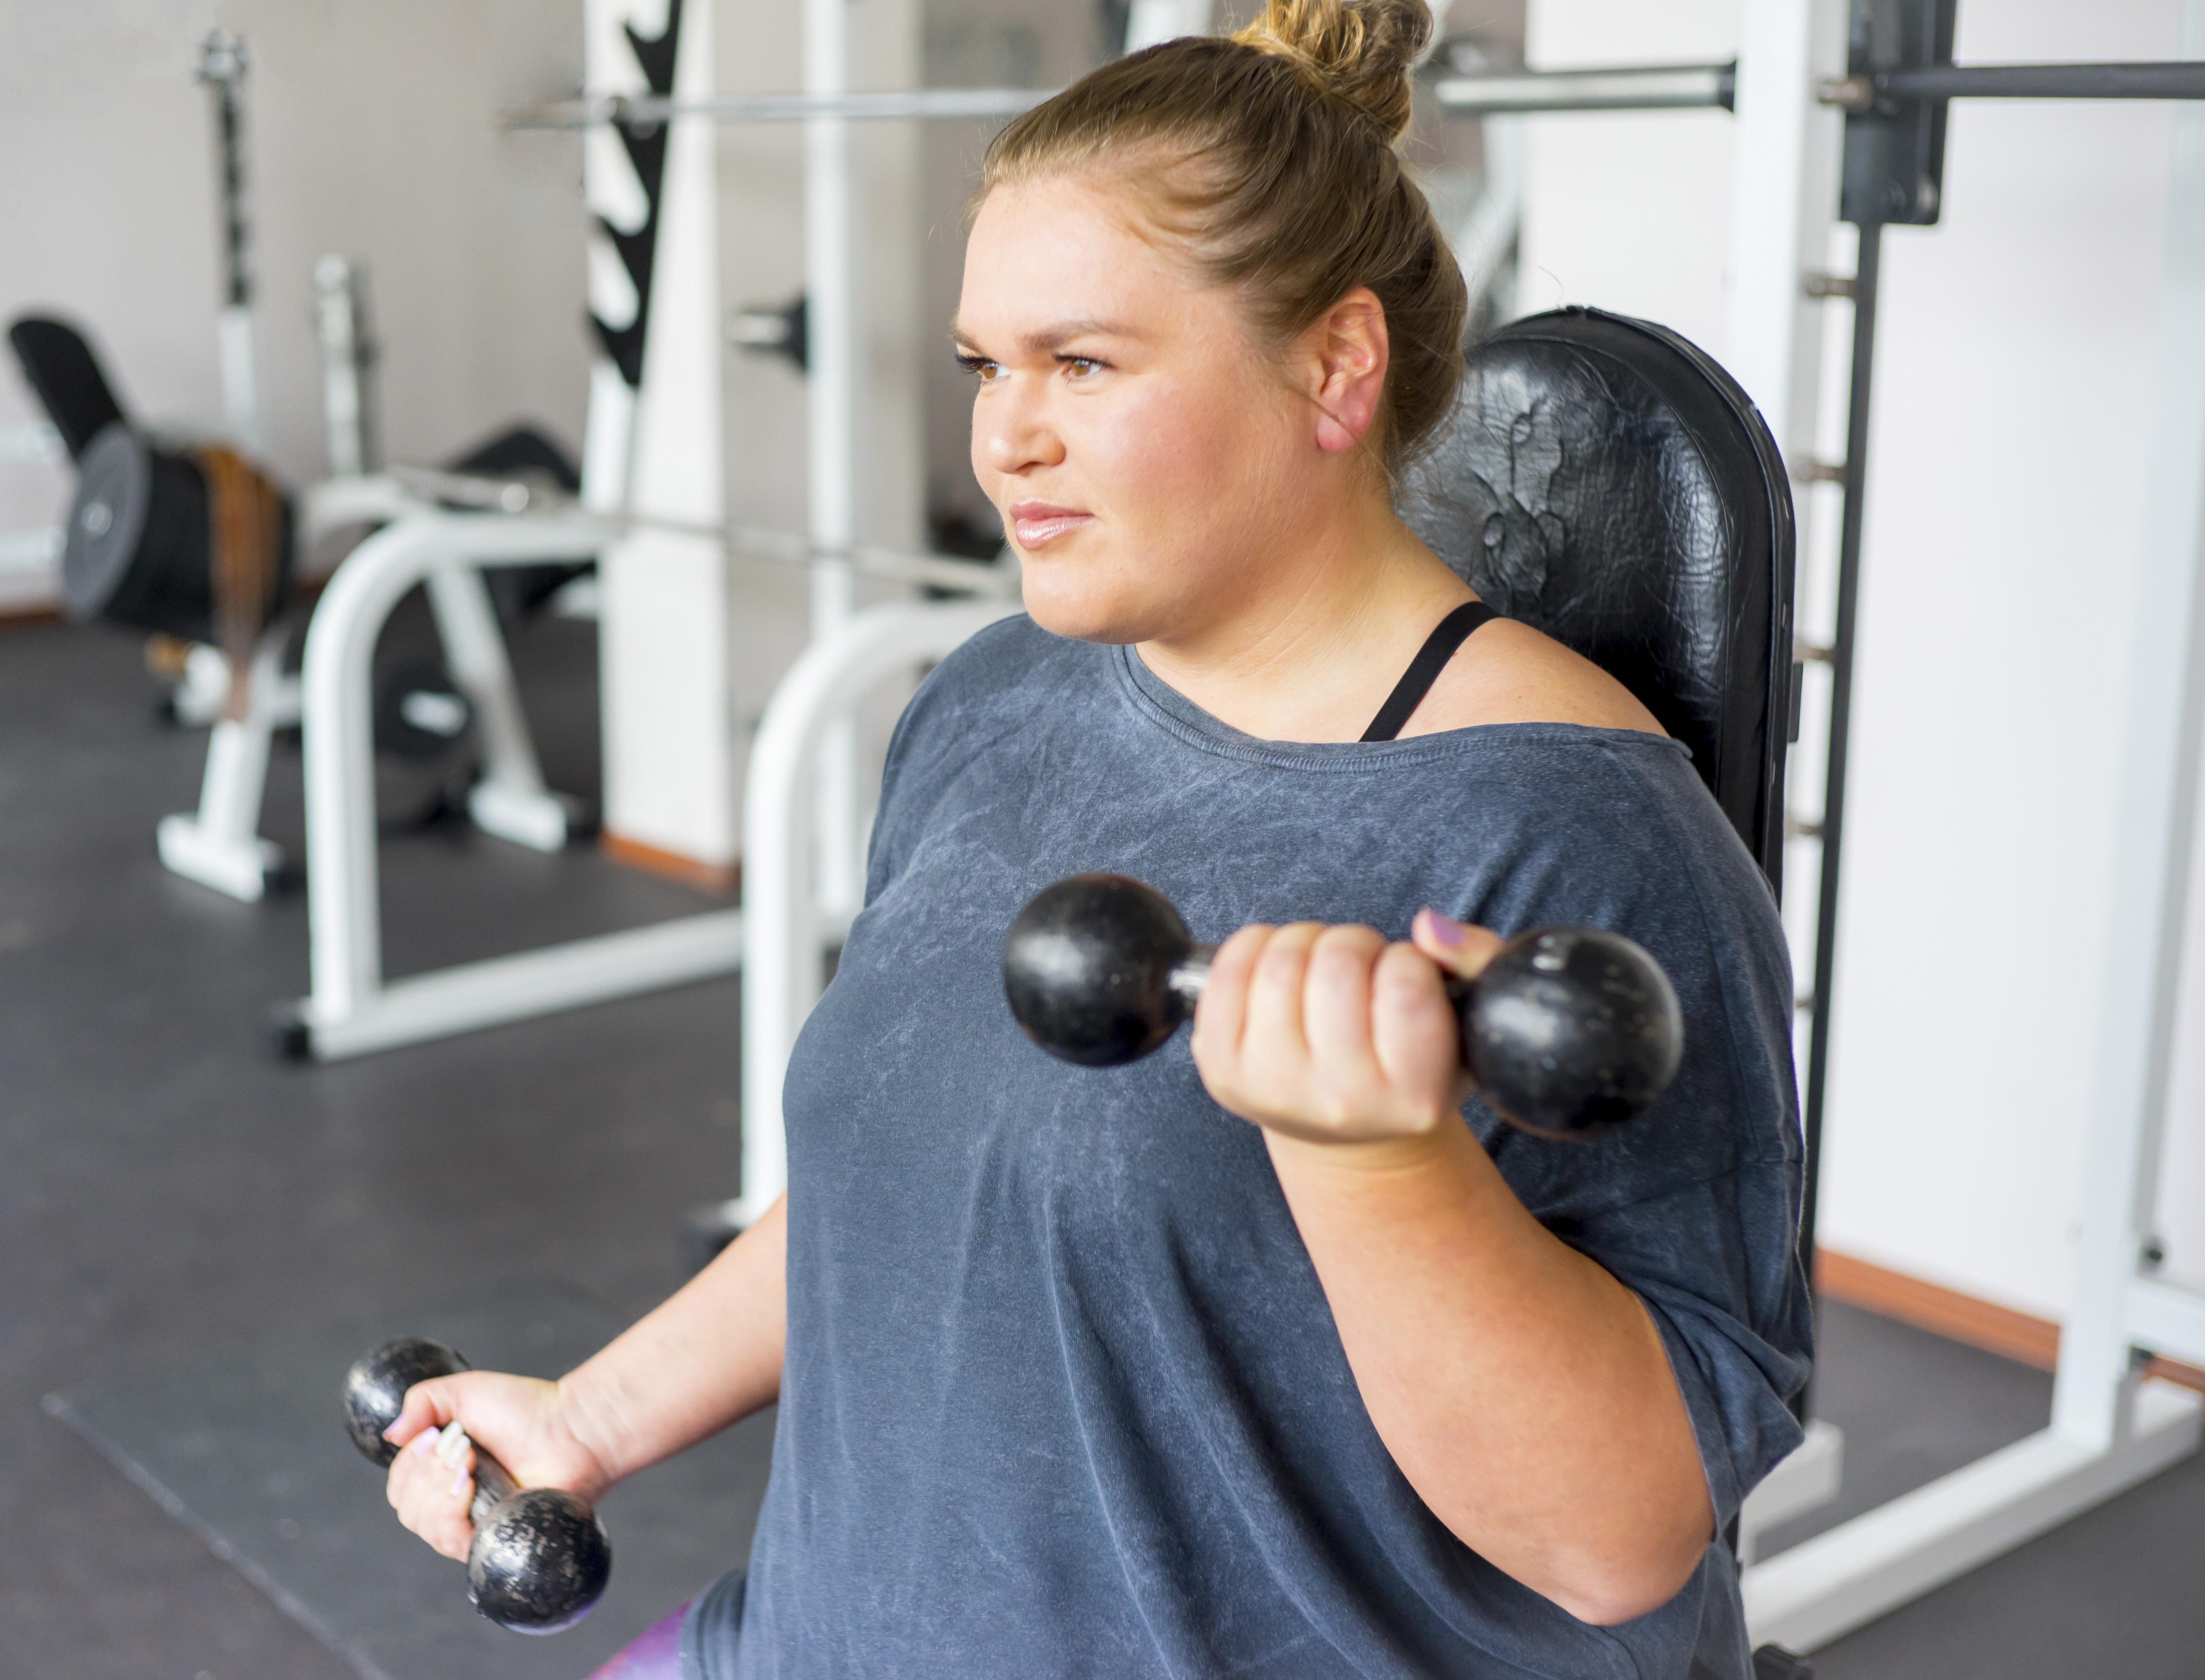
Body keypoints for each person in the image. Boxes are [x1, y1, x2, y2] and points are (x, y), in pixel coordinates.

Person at [380, 0, 1812, 1672]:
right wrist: (594, 1414)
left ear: (1334, 367)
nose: (1006, 438)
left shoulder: (1572, 828)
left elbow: (1618, 1540)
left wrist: (1379, 1163)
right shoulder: (997, 695)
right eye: (990, 365)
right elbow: (926, 1163)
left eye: (1086, 363)